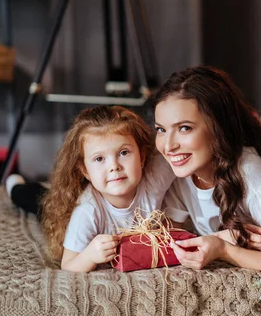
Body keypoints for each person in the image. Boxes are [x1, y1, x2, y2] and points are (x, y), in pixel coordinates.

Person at [153, 66, 261, 275]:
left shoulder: (255, 183)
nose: (168, 146)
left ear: (219, 128)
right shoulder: (179, 171)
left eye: (184, 128)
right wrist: (223, 237)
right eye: (161, 130)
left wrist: (225, 251)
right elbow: (164, 240)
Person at [41, 105, 177, 272]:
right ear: (85, 171)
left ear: (141, 157)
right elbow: (68, 265)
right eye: (99, 159)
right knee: (33, 198)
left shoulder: (154, 178)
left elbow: (181, 155)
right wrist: (89, 256)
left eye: (124, 153)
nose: (114, 166)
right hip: (65, 207)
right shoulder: (87, 211)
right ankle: (15, 186)